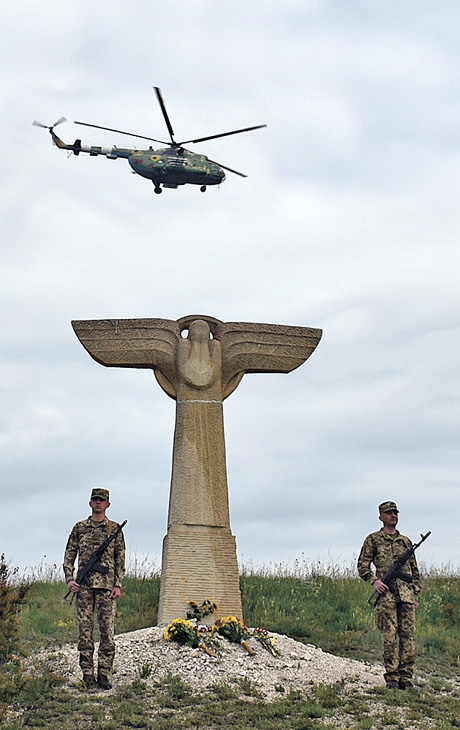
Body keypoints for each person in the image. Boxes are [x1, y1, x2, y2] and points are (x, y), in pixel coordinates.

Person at [63, 488, 126, 689]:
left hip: (106, 588)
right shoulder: (80, 528)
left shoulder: (114, 529)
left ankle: (104, 673)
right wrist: (69, 579)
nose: (98, 503)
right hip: (84, 588)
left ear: (108, 504)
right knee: (85, 632)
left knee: (107, 632)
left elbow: (120, 559)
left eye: (102, 500)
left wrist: (118, 584)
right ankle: (87, 673)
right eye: (95, 499)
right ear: (90, 503)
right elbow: (69, 554)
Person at [357, 501, 421, 690]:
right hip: (387, 597)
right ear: (381, 517)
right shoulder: (374, 539)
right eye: (389, 513)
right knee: (389, 637)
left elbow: (414, 571)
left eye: (395, 512)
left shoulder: (406, 542)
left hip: (407, 596)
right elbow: (362, 565)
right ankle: (392, 677)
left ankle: (406, 677)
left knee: (408, 637)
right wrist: (374, 581)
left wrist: (415, 593)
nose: (393, 515)